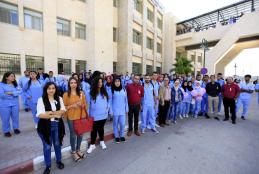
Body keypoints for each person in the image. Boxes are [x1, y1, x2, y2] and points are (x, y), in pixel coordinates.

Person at [36, 82, 66, 174]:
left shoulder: (59, 98)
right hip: (45, 126)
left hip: (57, 125)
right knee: (47, 146)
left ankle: (58, 161)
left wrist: (50, 113)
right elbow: (40, 115)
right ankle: (48, 166)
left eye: (53, 88)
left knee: (57, 143)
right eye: (49, 88)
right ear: (46, 89)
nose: (51, 90)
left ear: (55, 89)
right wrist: (56, 113)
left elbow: (63, 110)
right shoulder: (41, 100)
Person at [63, 77, 88, 161]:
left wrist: (82, 105)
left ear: (77, 84)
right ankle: (73, 152)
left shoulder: (81, 93)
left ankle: (78, 149)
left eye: (75, 83)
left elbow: (85, 105)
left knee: (80, 134)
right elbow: (63, 107)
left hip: (80, 117)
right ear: (69, 84)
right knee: (73, 135)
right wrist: (72, 106)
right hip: (71, 117)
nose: (73, 84)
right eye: (71, 83)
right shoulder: (66, 94)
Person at [87, 77, 110, 153]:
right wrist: (87, 115)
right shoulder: (90, 92)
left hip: (103, 115)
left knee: (101, 129)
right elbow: (87, 105)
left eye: (101, 82)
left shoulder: (104, 91)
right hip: (94, 115)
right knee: (93, 130)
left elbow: (108, 101)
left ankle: (102, 141)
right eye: (98, 82)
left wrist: (107, 108)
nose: (100, 83)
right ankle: (92, 144)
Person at [0, 72, 21, 137]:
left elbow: (20, 92)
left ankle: (16, 128)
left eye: (14, 76)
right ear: (6, 77)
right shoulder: (1, 85)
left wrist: (9, 93)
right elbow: (2, 95)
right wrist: (14, 93)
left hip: (15, 104)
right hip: (4, 105)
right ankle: (6, 131)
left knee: (15, 117)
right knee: (5, 118)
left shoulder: (15, 84)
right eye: (11, 76)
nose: (13, 77)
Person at [110, 77, 128, 143]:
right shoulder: (112, 90)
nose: (117, 82)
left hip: (122, 110)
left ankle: (122, 135)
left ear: (120, 82)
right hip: (115, 110)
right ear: (114, 82)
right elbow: (110, 101)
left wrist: (127, 108)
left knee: (122, 123)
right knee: (115, 124)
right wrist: (111, 111)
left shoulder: (123, 89)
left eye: (118, 81)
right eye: (116, 81)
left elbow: (126, 100)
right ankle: (116, 136)